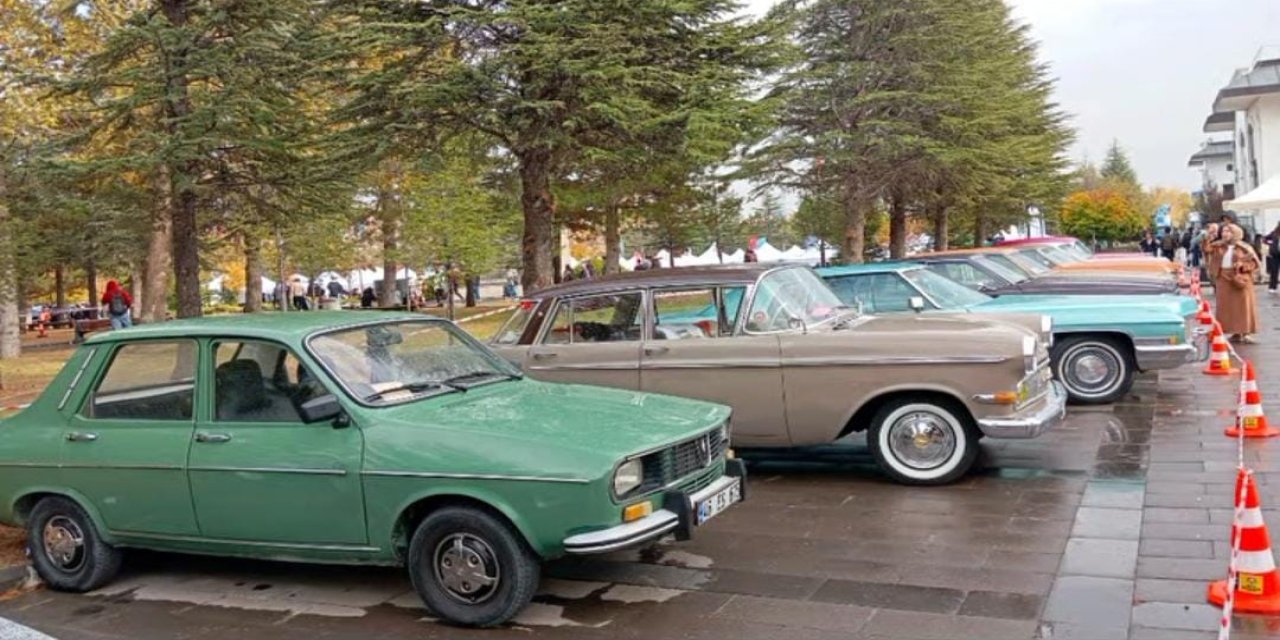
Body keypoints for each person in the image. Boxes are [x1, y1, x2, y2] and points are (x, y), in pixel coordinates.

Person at [1215, 224, 1261, 343]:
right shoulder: (1219, 246)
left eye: (1228, 231)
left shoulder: (1244, 247)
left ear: (1235, 233)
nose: (1224, 234)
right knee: (1227, 308)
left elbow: (1254, 264)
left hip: (1239, 279)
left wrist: (1242, 266)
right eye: (1223, 231)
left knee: (1242, 307)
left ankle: (1245, 332)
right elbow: (1208, 252)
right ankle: (1234, 332)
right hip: (1224, 279)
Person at [1266, 222, 1280, 294]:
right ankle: (1272, 287)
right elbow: (1265, 239)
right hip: (1275, 255)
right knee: (1274, 271)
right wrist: (1270, 243)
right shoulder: (1274, 233)